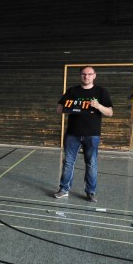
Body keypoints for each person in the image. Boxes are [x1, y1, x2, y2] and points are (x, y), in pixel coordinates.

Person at [54, 66, 113, 202]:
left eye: (89, 74)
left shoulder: (101, 91)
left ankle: (91, 192)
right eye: (84, 74)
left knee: (91, 163)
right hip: (72, 133)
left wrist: (98, 106)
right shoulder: (72, 91)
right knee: (68, 162)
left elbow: (110, 112)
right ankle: (64, 189)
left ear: (94, 75)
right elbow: (59, 109)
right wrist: (69, 107)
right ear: (80, 75)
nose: (86, 76)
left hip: (92, 134)